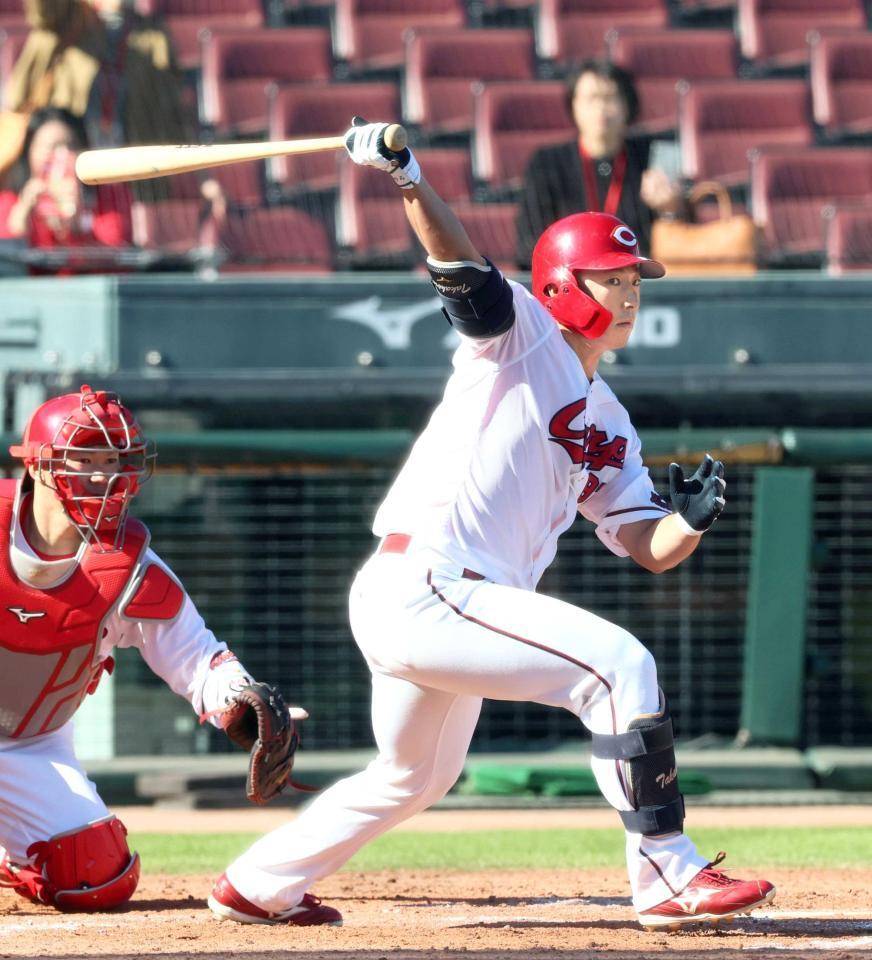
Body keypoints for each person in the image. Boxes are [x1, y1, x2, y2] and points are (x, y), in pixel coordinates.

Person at [206, 119, 776, 932]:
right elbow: (460, 270)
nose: (631, 289)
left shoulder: (609, 417)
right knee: (619, 667)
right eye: (613, 275)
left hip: (445, 600)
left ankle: (257, 882)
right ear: (565, 285)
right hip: (430, 582)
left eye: (634, 274)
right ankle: (665, 873)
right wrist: (408, 177)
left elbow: (646, 547)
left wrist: (686, 524)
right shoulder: (521, 334)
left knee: (414, 777)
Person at [0, 385, 299, 911]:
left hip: (28, 745)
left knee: (95, 877)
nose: (105, 475)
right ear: (41, 467)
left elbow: (199, 658)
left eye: (115, 460)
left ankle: (14, 858)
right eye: (85, 458)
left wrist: (240, 701)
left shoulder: (129, 568)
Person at [515, 59, 683, 270]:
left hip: (639, 281)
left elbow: (682, 239)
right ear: (573, 105)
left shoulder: (653, 156)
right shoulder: (546, 163)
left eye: (610, 98)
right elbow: (530, 244)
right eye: (591, 99)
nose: (600, 109)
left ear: (628, 105)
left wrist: (671, 209)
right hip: (571, 282)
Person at [0, 107, 132, 263]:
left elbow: (117, 257)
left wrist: (75, 223)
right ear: (29, 151)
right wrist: (23, 212)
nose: (63, 155)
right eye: (52, 146)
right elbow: (8, 263)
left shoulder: (109, 197)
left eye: (71, 145)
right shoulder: (9, 202)